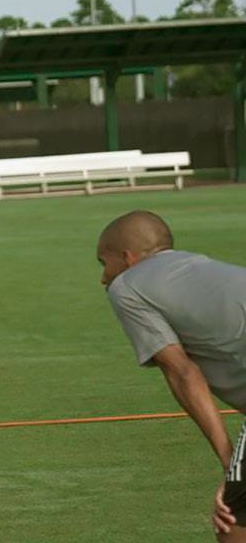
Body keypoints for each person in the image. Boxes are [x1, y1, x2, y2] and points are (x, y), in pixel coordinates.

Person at [98, 210, 246, 541]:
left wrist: (228, 459)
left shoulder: (126, 287)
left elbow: (182, 373)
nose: (103, 278)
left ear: (128, 258)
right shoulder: (200, 266)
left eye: (103, 263)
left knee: (233, 522)